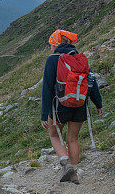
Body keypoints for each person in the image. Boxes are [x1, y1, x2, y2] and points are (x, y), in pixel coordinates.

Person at [40, 29, 103, 184]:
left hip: (59, 105)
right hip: (81, 104)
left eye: (51, 45)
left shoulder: (52, 59)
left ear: (55, 44)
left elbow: (47, 88)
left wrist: (44, 114)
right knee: (73, 138)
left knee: (54, 135)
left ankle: (66, 164)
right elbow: (92, 82)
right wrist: (98, 104)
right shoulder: (80, 58)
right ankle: (74, 173)